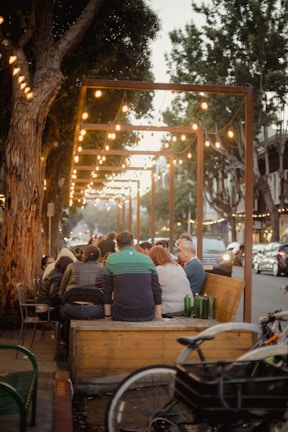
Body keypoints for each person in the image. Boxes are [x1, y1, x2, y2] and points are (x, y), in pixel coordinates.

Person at [103, 231, 162, 321]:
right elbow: (156, 288)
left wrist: (107, 315)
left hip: (121, 314)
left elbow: (107, 290)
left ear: (118, 246)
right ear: (133, 243)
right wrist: (158, 315)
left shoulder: (111, 259)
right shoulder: (147, 259)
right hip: (146, 313)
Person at [59, 245, 105, 345]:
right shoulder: (102, 268)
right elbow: (105, 289)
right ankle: (94, 343)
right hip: (94, 310)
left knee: (64, 314)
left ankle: (66, 342)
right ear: (98, 257)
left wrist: (63, 301)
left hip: (72, 309)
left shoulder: (72, 266)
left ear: (84, 254)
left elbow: (62, 288)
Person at [149, 245, 192, 317]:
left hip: (170, 309)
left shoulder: (158, 270)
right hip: (187, 306)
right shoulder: (178, 266)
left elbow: (150, 290)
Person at [36, 255, 74, 322]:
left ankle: (63, 332)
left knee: (69, 310)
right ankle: (64, 332)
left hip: (43, 308)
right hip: (46, 311)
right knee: (69, 312)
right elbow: (54, 295)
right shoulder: (57, 277)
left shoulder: (55, 273)